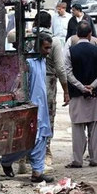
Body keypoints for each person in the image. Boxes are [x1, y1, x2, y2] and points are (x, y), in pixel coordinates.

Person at [0, 33, 54, 183]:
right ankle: (6, 160)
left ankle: (37, 172)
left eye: (49, 48)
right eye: (45, 48)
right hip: (30, 107)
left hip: (41, 107)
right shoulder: (28, 62)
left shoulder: (42, 61)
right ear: (38, 47)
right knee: (30, 140)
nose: (48, 51)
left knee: (42, 137)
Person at [64, 21, 97, 168]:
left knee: (77, 128)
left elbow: (68, 73)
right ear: (90, 34)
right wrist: (93, 85)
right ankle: (95, 159)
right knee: (95, 126)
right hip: (95, 94)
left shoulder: (71, 51)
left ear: (77, 34)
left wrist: (81, 87)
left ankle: (77, 160)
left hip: (77, 95)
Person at [32, 11, 69, 166]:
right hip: (48, 82)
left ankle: (25, 153)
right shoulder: (54, 42)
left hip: (29, 84)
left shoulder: (27, 38)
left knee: (31, 117)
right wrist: (66, 91)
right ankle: (46, 150)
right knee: (47, 117)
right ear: (50, 24)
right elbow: (60, 68)